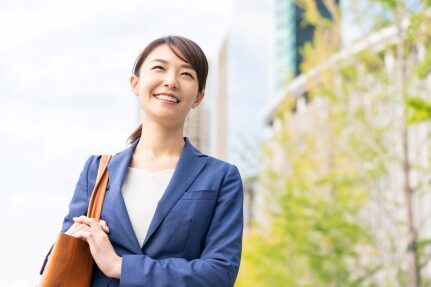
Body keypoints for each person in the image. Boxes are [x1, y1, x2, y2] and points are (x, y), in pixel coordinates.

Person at [39, 35, 244, 286]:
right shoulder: (98, 171)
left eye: (186, 74)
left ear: (199, 96)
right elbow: (64, 261)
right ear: (135, 83)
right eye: (159, 68)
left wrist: (120, 266)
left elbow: (219, 274)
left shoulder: (221, 177)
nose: (170, 81)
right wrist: (71, 238)